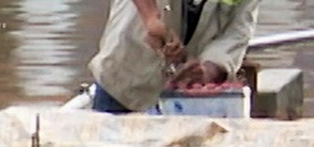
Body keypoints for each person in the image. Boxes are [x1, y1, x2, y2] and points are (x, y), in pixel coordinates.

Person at [87, 0, 262, 115]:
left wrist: (209, 68)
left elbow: (238, 30)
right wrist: (151, 18)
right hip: (125, 74)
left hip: (183, 96)